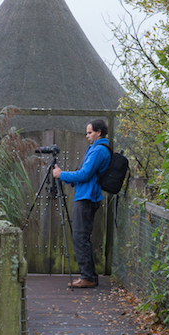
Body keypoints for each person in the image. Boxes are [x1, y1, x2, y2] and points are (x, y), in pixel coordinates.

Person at [52, 119, 111, 288]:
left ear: (99, 132)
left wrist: (61, 175)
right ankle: (89, 276)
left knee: (80, 237)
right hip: (85, 195)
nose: (87, 135)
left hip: (87, 198)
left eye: (90, 132)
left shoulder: (99, 150)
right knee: (82, 237)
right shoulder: (95, 149)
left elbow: (84, 174)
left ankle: (88, 277)